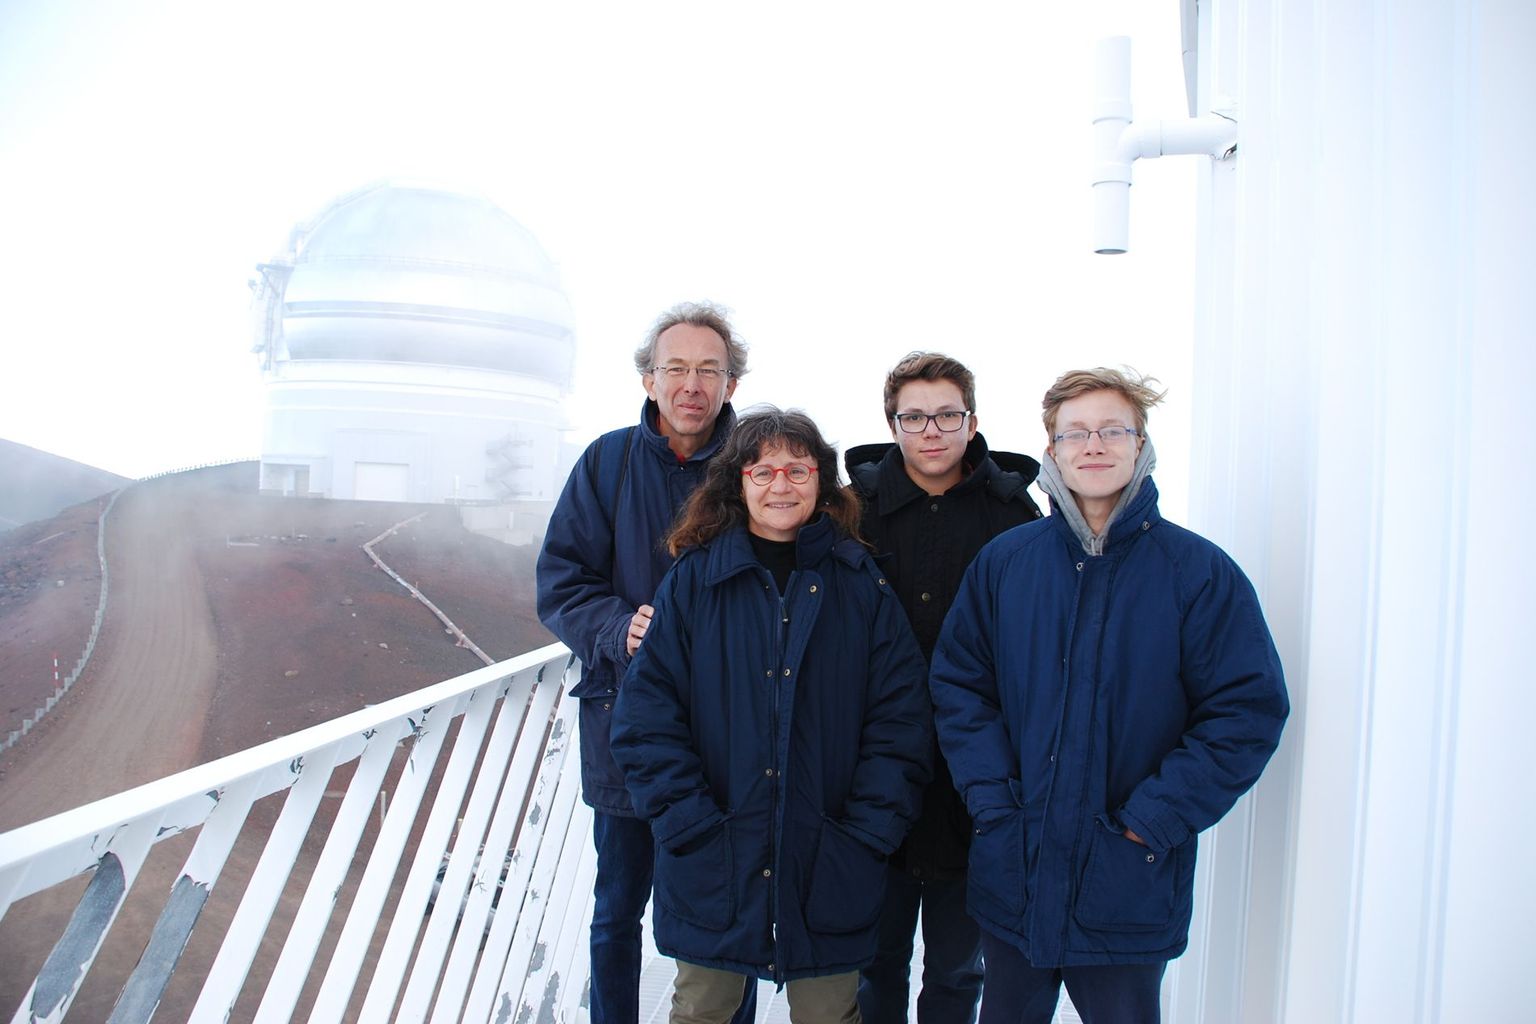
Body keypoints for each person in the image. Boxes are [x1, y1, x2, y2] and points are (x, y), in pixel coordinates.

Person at [928, 368, 1289, 1024]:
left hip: (1127, 879)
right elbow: (960, 685)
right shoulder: (1007, 565)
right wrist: (993, 801)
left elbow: (1246, 711)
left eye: (1111, 429)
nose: (1093, 444)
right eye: (1075, 432)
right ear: (1053, 450)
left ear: (1141, 444)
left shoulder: (1198, 574)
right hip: (1015, 868)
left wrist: (1150, 820)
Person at [611, 407, 933, 1024]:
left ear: (822, 482)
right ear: (738, 482)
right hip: (714, 848)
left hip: (831, 855)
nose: (780, 485)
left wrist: (868, 830)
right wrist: (687, 820)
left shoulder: (859, 585)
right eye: (762, 472)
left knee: (830, 1012)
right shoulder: (694, 581)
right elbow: (646, 716)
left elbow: (902, 722)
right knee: (702, 1009)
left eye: (797, 469)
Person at [536, 301, 755, 1024]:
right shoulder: (605, 462)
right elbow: (561, 582)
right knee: (617, 909)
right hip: (624, 724)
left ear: (731, 383)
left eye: (709, 371)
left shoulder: (757, 466)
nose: (692, 385)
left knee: (731, 910)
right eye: (677, 369)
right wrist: (616, 626)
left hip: (733, 735)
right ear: (648, 378)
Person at [844, 352, 1042, 1024]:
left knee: (959, 969)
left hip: (976, 777)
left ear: (972, 420)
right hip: (873, 773)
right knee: (873, 963)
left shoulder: (1016, 515)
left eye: (947, 415)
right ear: (893, 424)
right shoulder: (852, 512)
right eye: (915, 417)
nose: (932, 430)